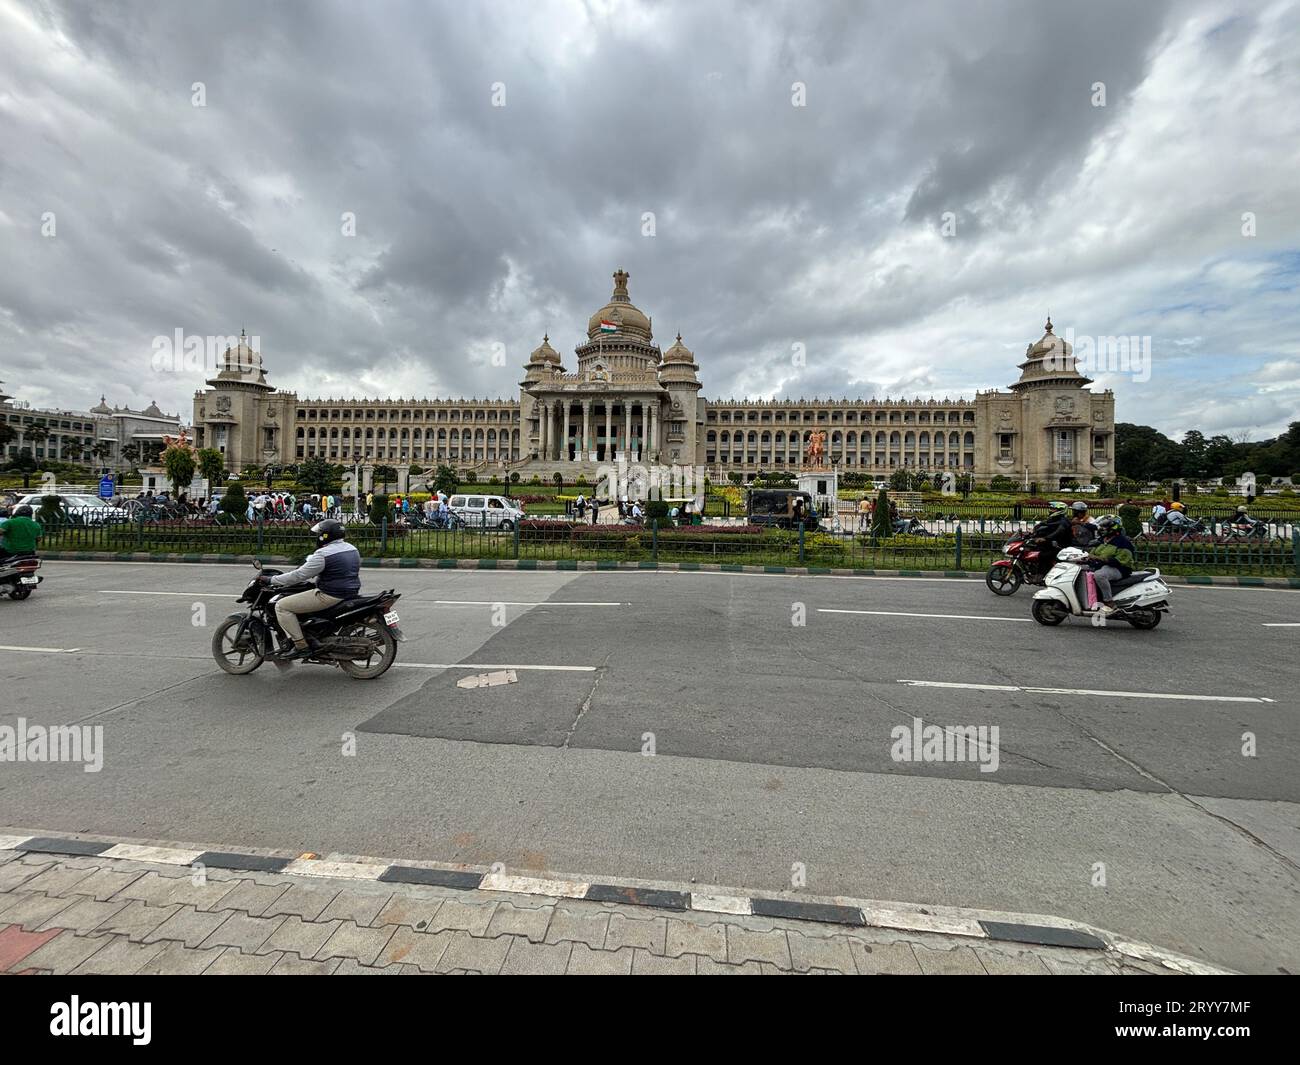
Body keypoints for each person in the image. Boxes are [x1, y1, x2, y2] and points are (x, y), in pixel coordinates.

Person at [264, 519, 362, 660]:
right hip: (351, 592)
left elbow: (299, 575)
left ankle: (301, 646)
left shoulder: (323, 554)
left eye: (320, 533)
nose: (318, 536)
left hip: (329, 595)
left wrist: (271, 580)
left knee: (281, 606)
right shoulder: (352, 548)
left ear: (325, 535)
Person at [1087, 516, 1135, 614]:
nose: (1101, 529)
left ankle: (1109, 602)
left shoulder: (1123, 542)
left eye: (1104, 527)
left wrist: (1100, 559)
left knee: (1100, 575)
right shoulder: (1102, 540)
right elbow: (1092, 554)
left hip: (1119, 569)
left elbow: (1119, 561)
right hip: (1101, 566)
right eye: (1101, 526)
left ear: (1113, 528)